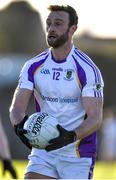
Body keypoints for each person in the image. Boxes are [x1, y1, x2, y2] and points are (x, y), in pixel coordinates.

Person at [9, 4, 104, 179]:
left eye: (58, 23)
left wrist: (70, 136)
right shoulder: (32, 66)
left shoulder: (87, 69)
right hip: (44, 151)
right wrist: (19, 127)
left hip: (77, 154)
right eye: (49, 23)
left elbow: (95, 118)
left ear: (73, 29)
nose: (51, 28)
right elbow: (17, 108)